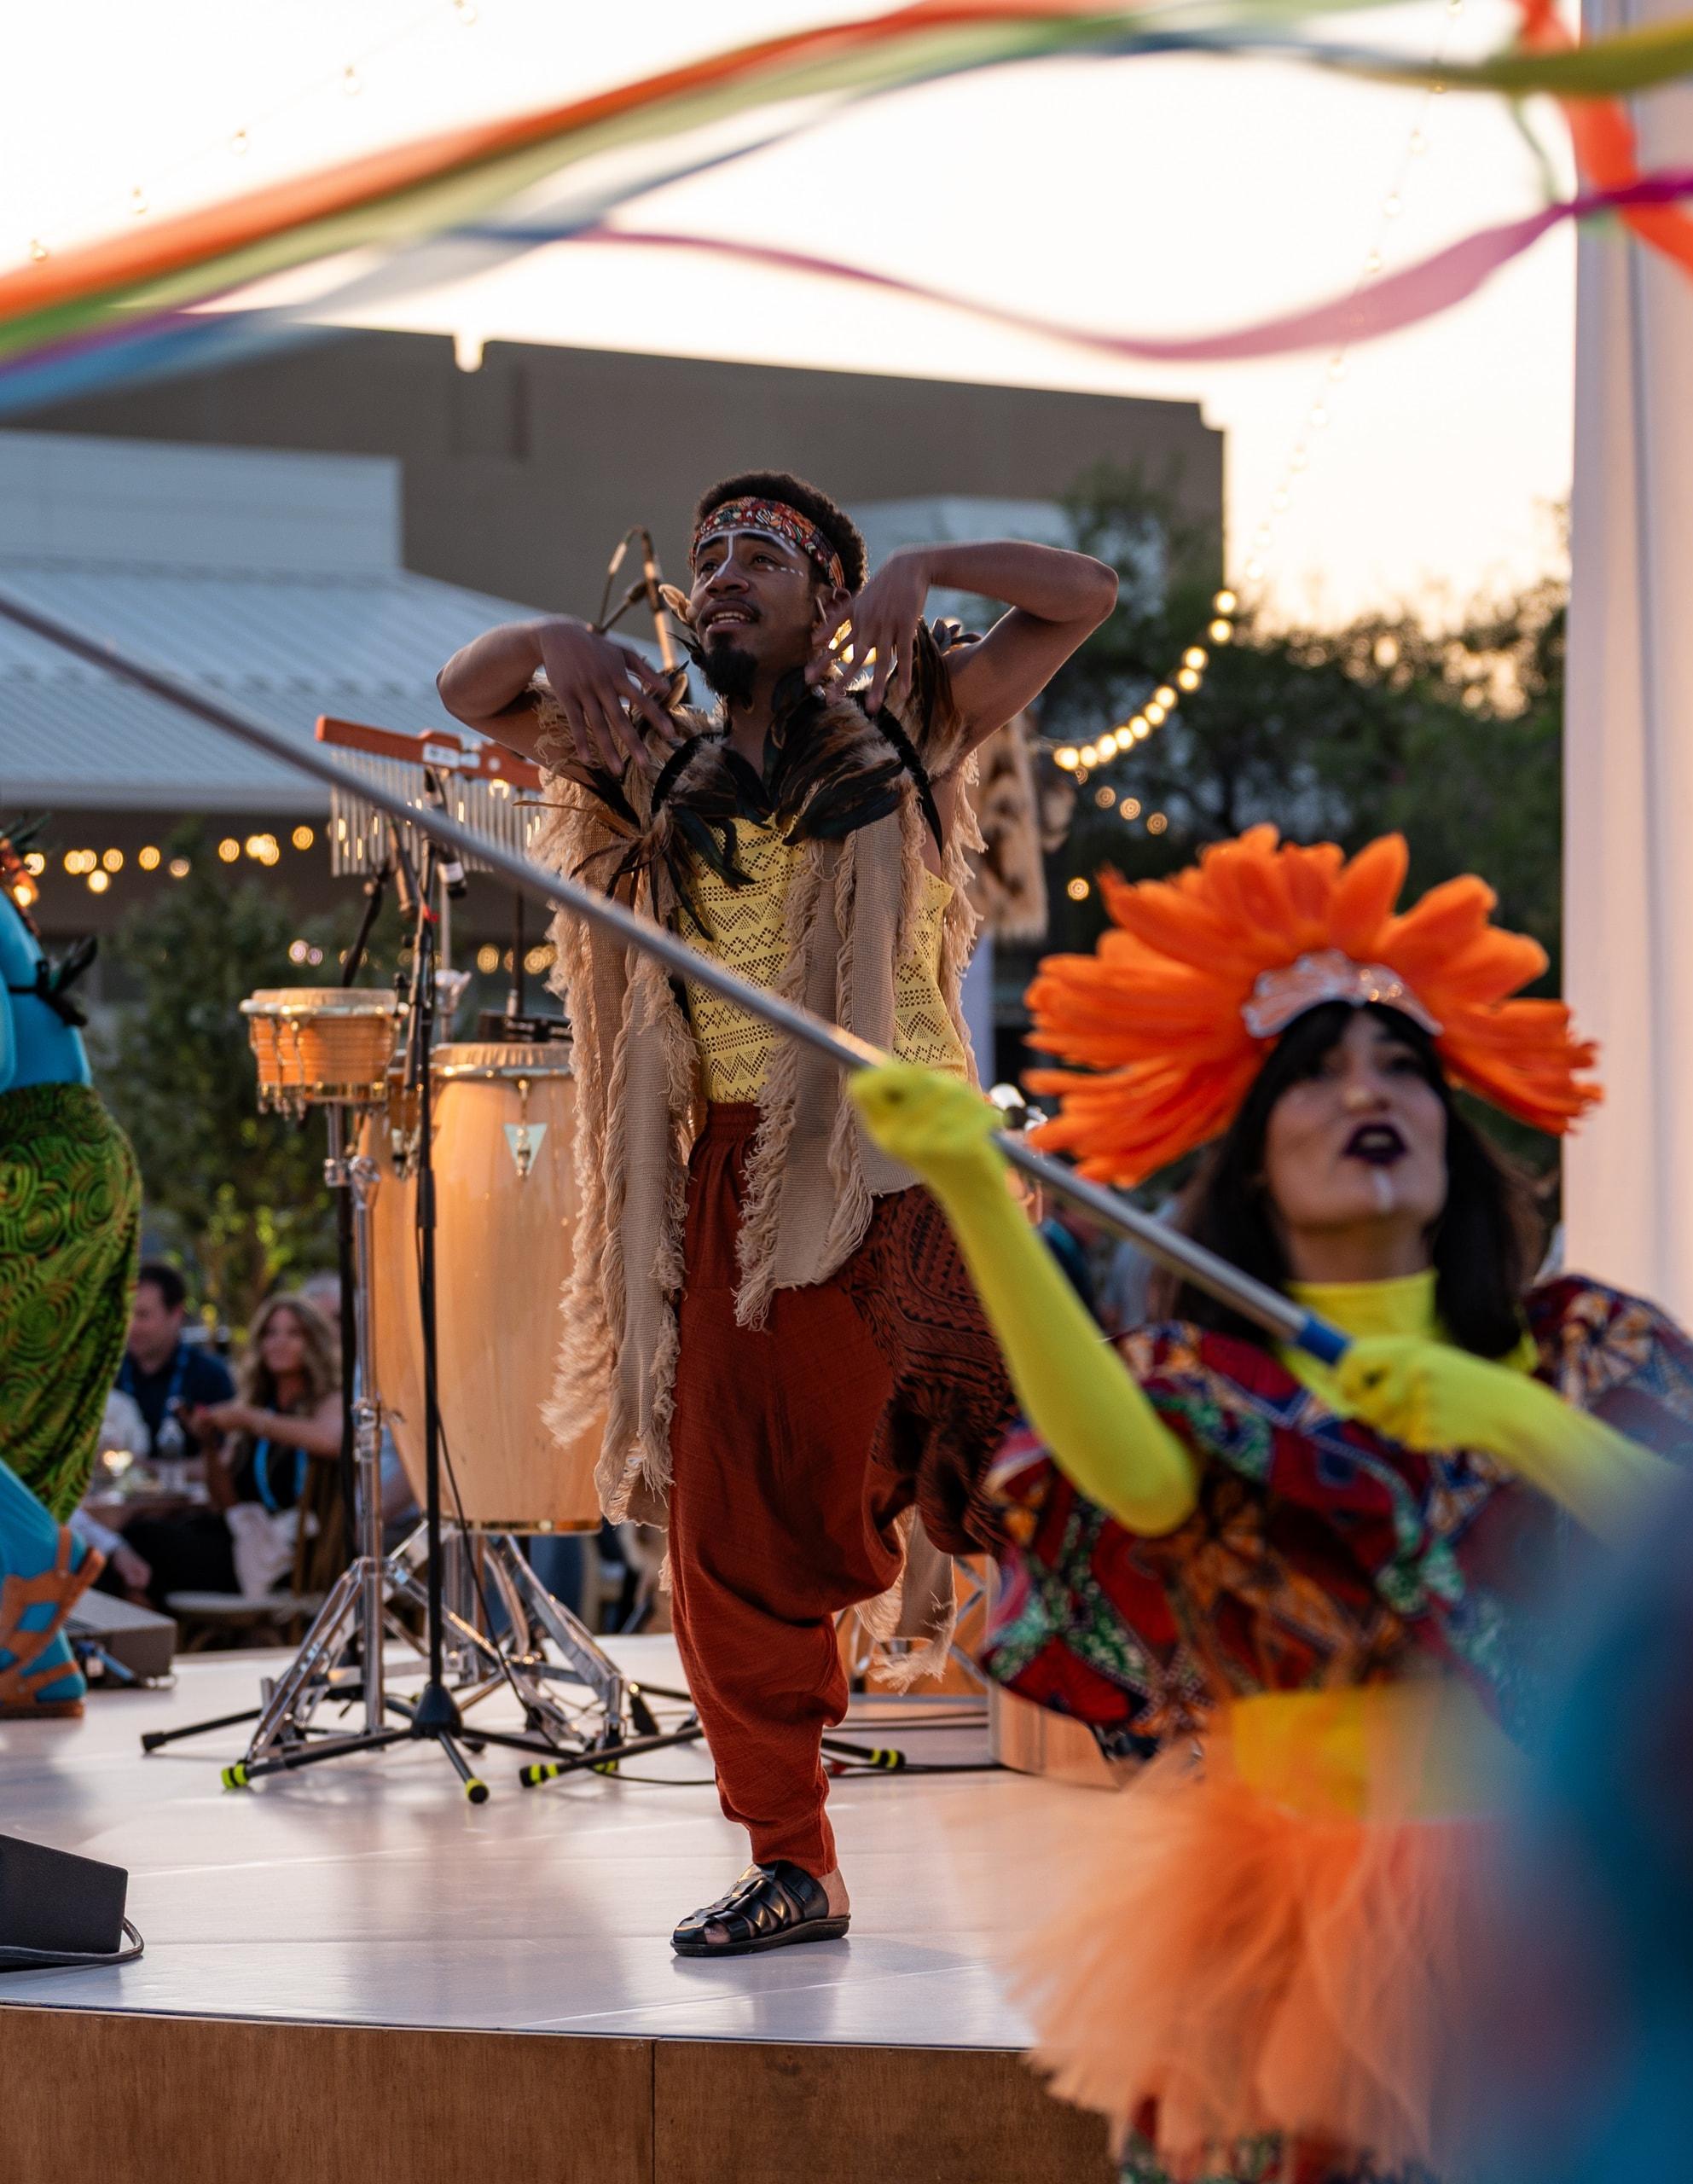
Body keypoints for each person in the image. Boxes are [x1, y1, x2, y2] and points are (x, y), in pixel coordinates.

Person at [851, 824, 1693, 2184]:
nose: (1367, 1089)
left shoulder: (1584, 1351)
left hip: (1555, 1903)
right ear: (1251, 1158)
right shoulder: (1203, 1387)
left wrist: (1518, 1421)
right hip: (1283, 1927)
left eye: (1401, 1066)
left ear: (1451, 1128)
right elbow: (1125, 1472)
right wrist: (973, 1191)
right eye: (1316, 1073)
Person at [438, 470, 1116, 1955]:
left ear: (832, 601)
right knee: (729, 1533)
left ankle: (1174, 1707)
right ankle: (794, 1863)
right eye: (707, 557)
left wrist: (927, 563)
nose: (723, 573)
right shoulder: (644, 751)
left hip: (912, 1156)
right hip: (743, 1186)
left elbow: (1083, 595)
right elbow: (466, 691)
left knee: (1028, 1456)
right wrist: (554, 637)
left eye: (763, 554)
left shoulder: (912, 716)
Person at [0, 819, 140, 1716]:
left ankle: (37, 1557)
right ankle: (37, 1664)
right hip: (67, 1164)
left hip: (35, 1166)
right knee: (16, 1414)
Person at [124, 1293, 342, 1610]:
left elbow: (330, 1440)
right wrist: (209, 1444)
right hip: (245, 1540)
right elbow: (225, 1504)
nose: (279, 1342)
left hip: (292, 1552)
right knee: (134, 1541)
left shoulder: (327, 1401)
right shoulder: (258, 1404)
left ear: (315, 1343)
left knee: (144, 1544)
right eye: (270, 1333)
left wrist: (250, 1420)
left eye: (294, 1333)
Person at [118, 1262, 236, 1467]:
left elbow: (227, 1460)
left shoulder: (210, 1375)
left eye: (143, 1315)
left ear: (176, 1315)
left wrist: (146, 1468)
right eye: (126, 1314)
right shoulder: (107, 1376)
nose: (132, 1326)